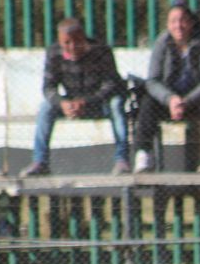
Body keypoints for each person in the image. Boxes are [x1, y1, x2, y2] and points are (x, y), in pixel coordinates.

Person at [133, 2, 200, 173]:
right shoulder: (162, 43)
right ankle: (144, 154)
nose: (178, 25)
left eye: (183, 20)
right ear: (167, 24)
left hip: (198, 100)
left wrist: (186, 101)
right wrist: (171, 99)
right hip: (171, 101)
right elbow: (152, 80)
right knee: (147, 100)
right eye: (173, 21)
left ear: (191, 23)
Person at [20, 18, 130, 177]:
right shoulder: (54, 53)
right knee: (45, 107)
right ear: (59, 41)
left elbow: (111, 85)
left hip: (99, 103)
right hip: (71, 104)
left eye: (76, 41)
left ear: (83, 37)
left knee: (116, 104)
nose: (72, 47)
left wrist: (86, 101)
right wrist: (62, 103)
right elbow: (48, 87)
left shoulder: (101, 50)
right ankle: (40, 161)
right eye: (66, 42)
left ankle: (122, 160)